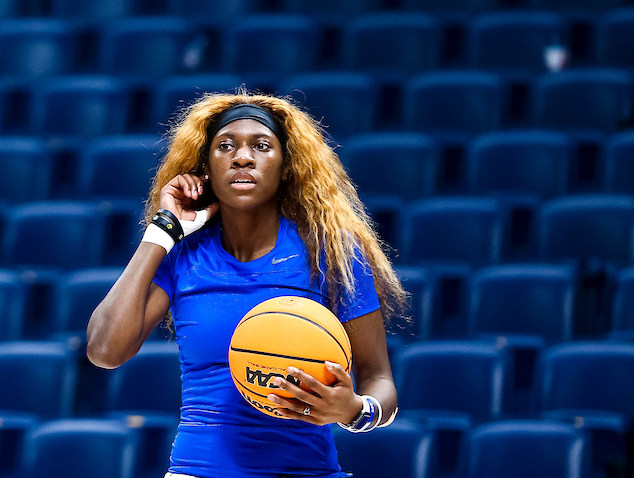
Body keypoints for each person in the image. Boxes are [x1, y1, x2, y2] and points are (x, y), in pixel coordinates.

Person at [87, 93, 406, 478]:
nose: (242, 157)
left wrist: (356, 410)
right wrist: (162, 231)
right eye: (225, 146)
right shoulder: (182, 256)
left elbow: (379, 380)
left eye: (261, 146)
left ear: (286, 167)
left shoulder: (331, 252)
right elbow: (104, 351)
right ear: (206, 168)